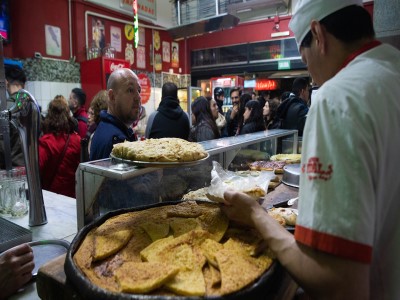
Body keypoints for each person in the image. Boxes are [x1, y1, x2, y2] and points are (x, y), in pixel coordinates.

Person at [222, 1, 400, 299]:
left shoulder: (338, 97)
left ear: (318, 34)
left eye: (305, 61)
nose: (313, 77)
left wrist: (256, 215)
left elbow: (338, 283)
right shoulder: (392, 68)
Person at [90, 68, 140, 160]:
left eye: (139, 91)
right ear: (112, 96)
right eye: (130, 90)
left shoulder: (104, 128)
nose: (138, 97)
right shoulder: (117, 143)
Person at [39, 96, 81, 198]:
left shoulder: (46, 142)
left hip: (50, 196)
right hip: (73, 197)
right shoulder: (77, 139)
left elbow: (37, 170)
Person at [0, 65, 26, 169]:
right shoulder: (32, 105)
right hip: (31, 170)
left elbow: (2, 147)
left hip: (12, 171)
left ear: (6, 82)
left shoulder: (4, 108)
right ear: (23, 84)